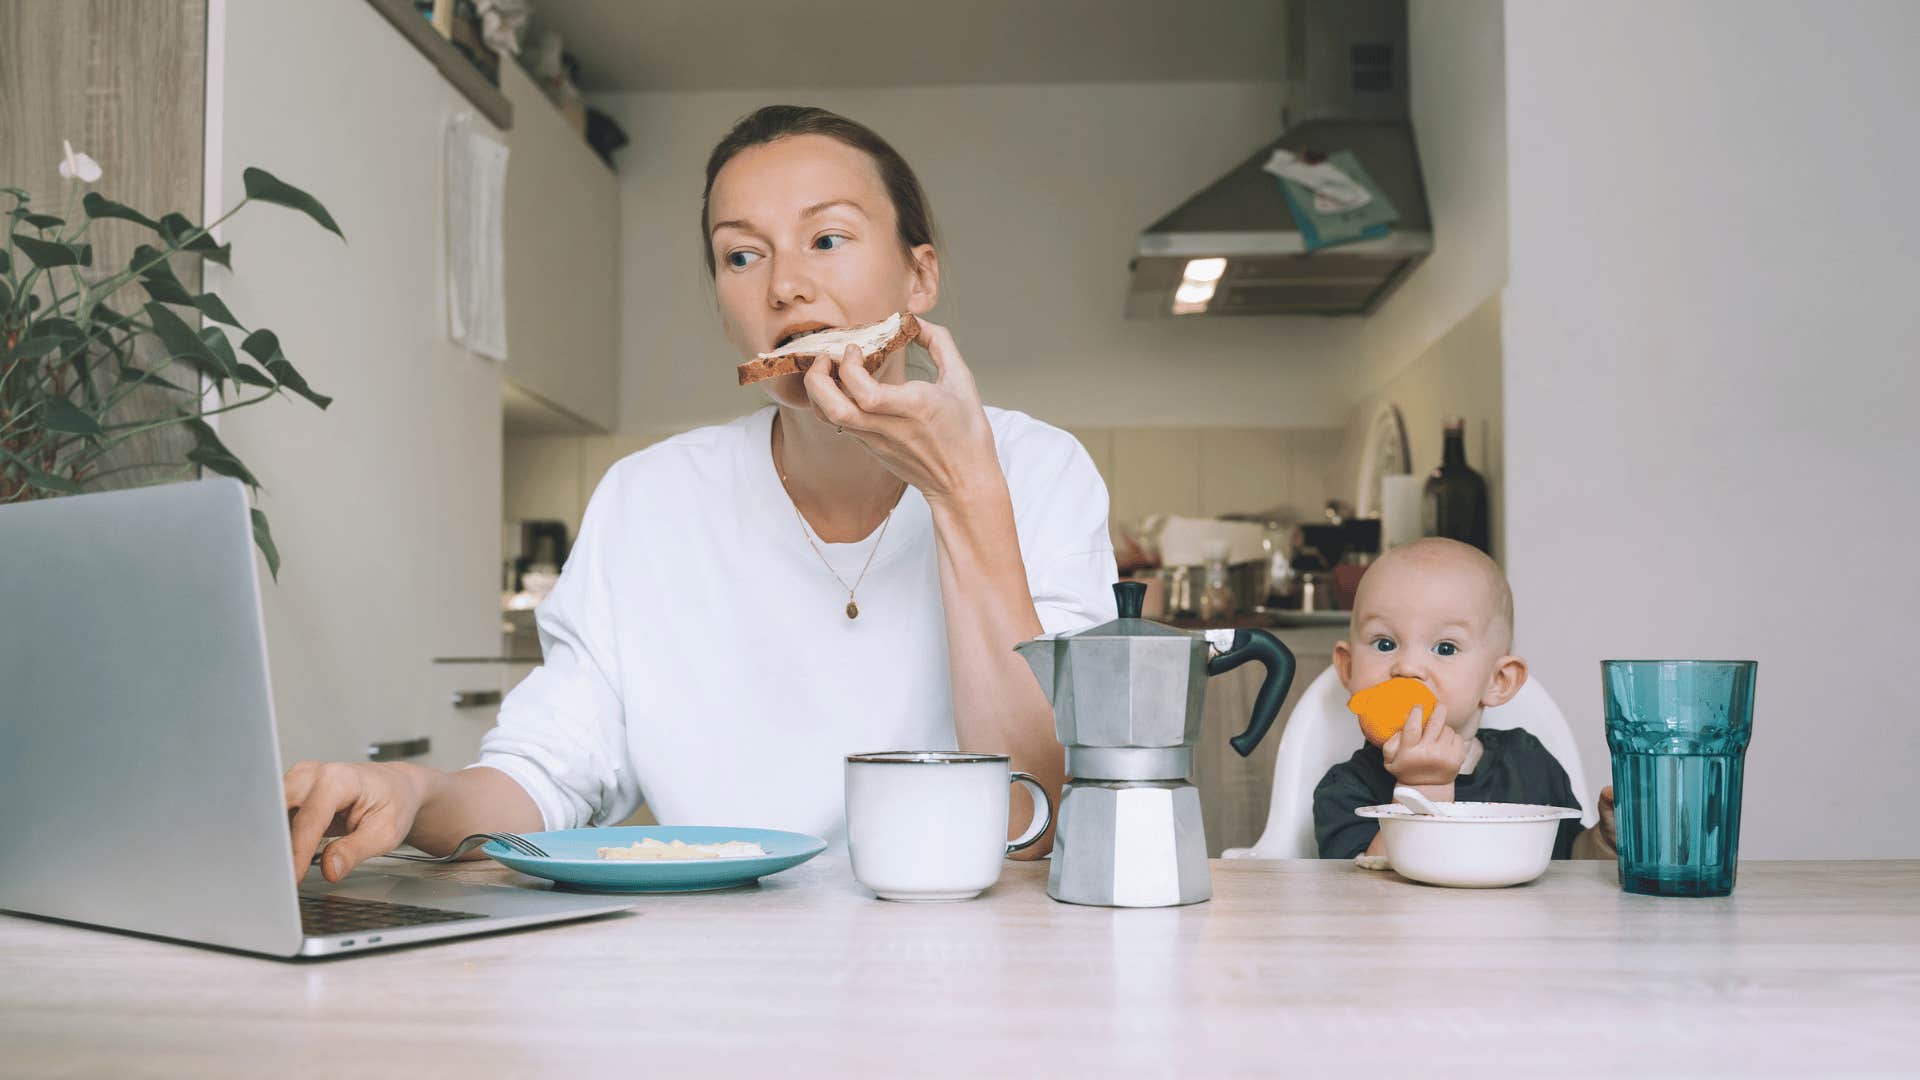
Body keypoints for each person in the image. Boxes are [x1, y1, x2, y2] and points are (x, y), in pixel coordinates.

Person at [283, 106, 1117, 881]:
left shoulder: (1038, 472)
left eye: (827, 238)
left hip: (971, 973)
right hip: (717, 973)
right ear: (726, 311)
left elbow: (1035, 819)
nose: (785, 285)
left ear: (918, 278)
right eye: (741, 255)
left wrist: (964, 492)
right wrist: (415, 793)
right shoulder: (650, 500)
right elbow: (545, 775)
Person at [1312, 538, 1618, 860]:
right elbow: (1363, 891)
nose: (1408, 667)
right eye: (1384, 643)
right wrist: (1422, 789)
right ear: (1348, 668)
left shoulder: (1529, 764)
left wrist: (1603, 842)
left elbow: (1566, 862)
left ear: (1498, 681)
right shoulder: (1345, 788)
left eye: (1445, 648)